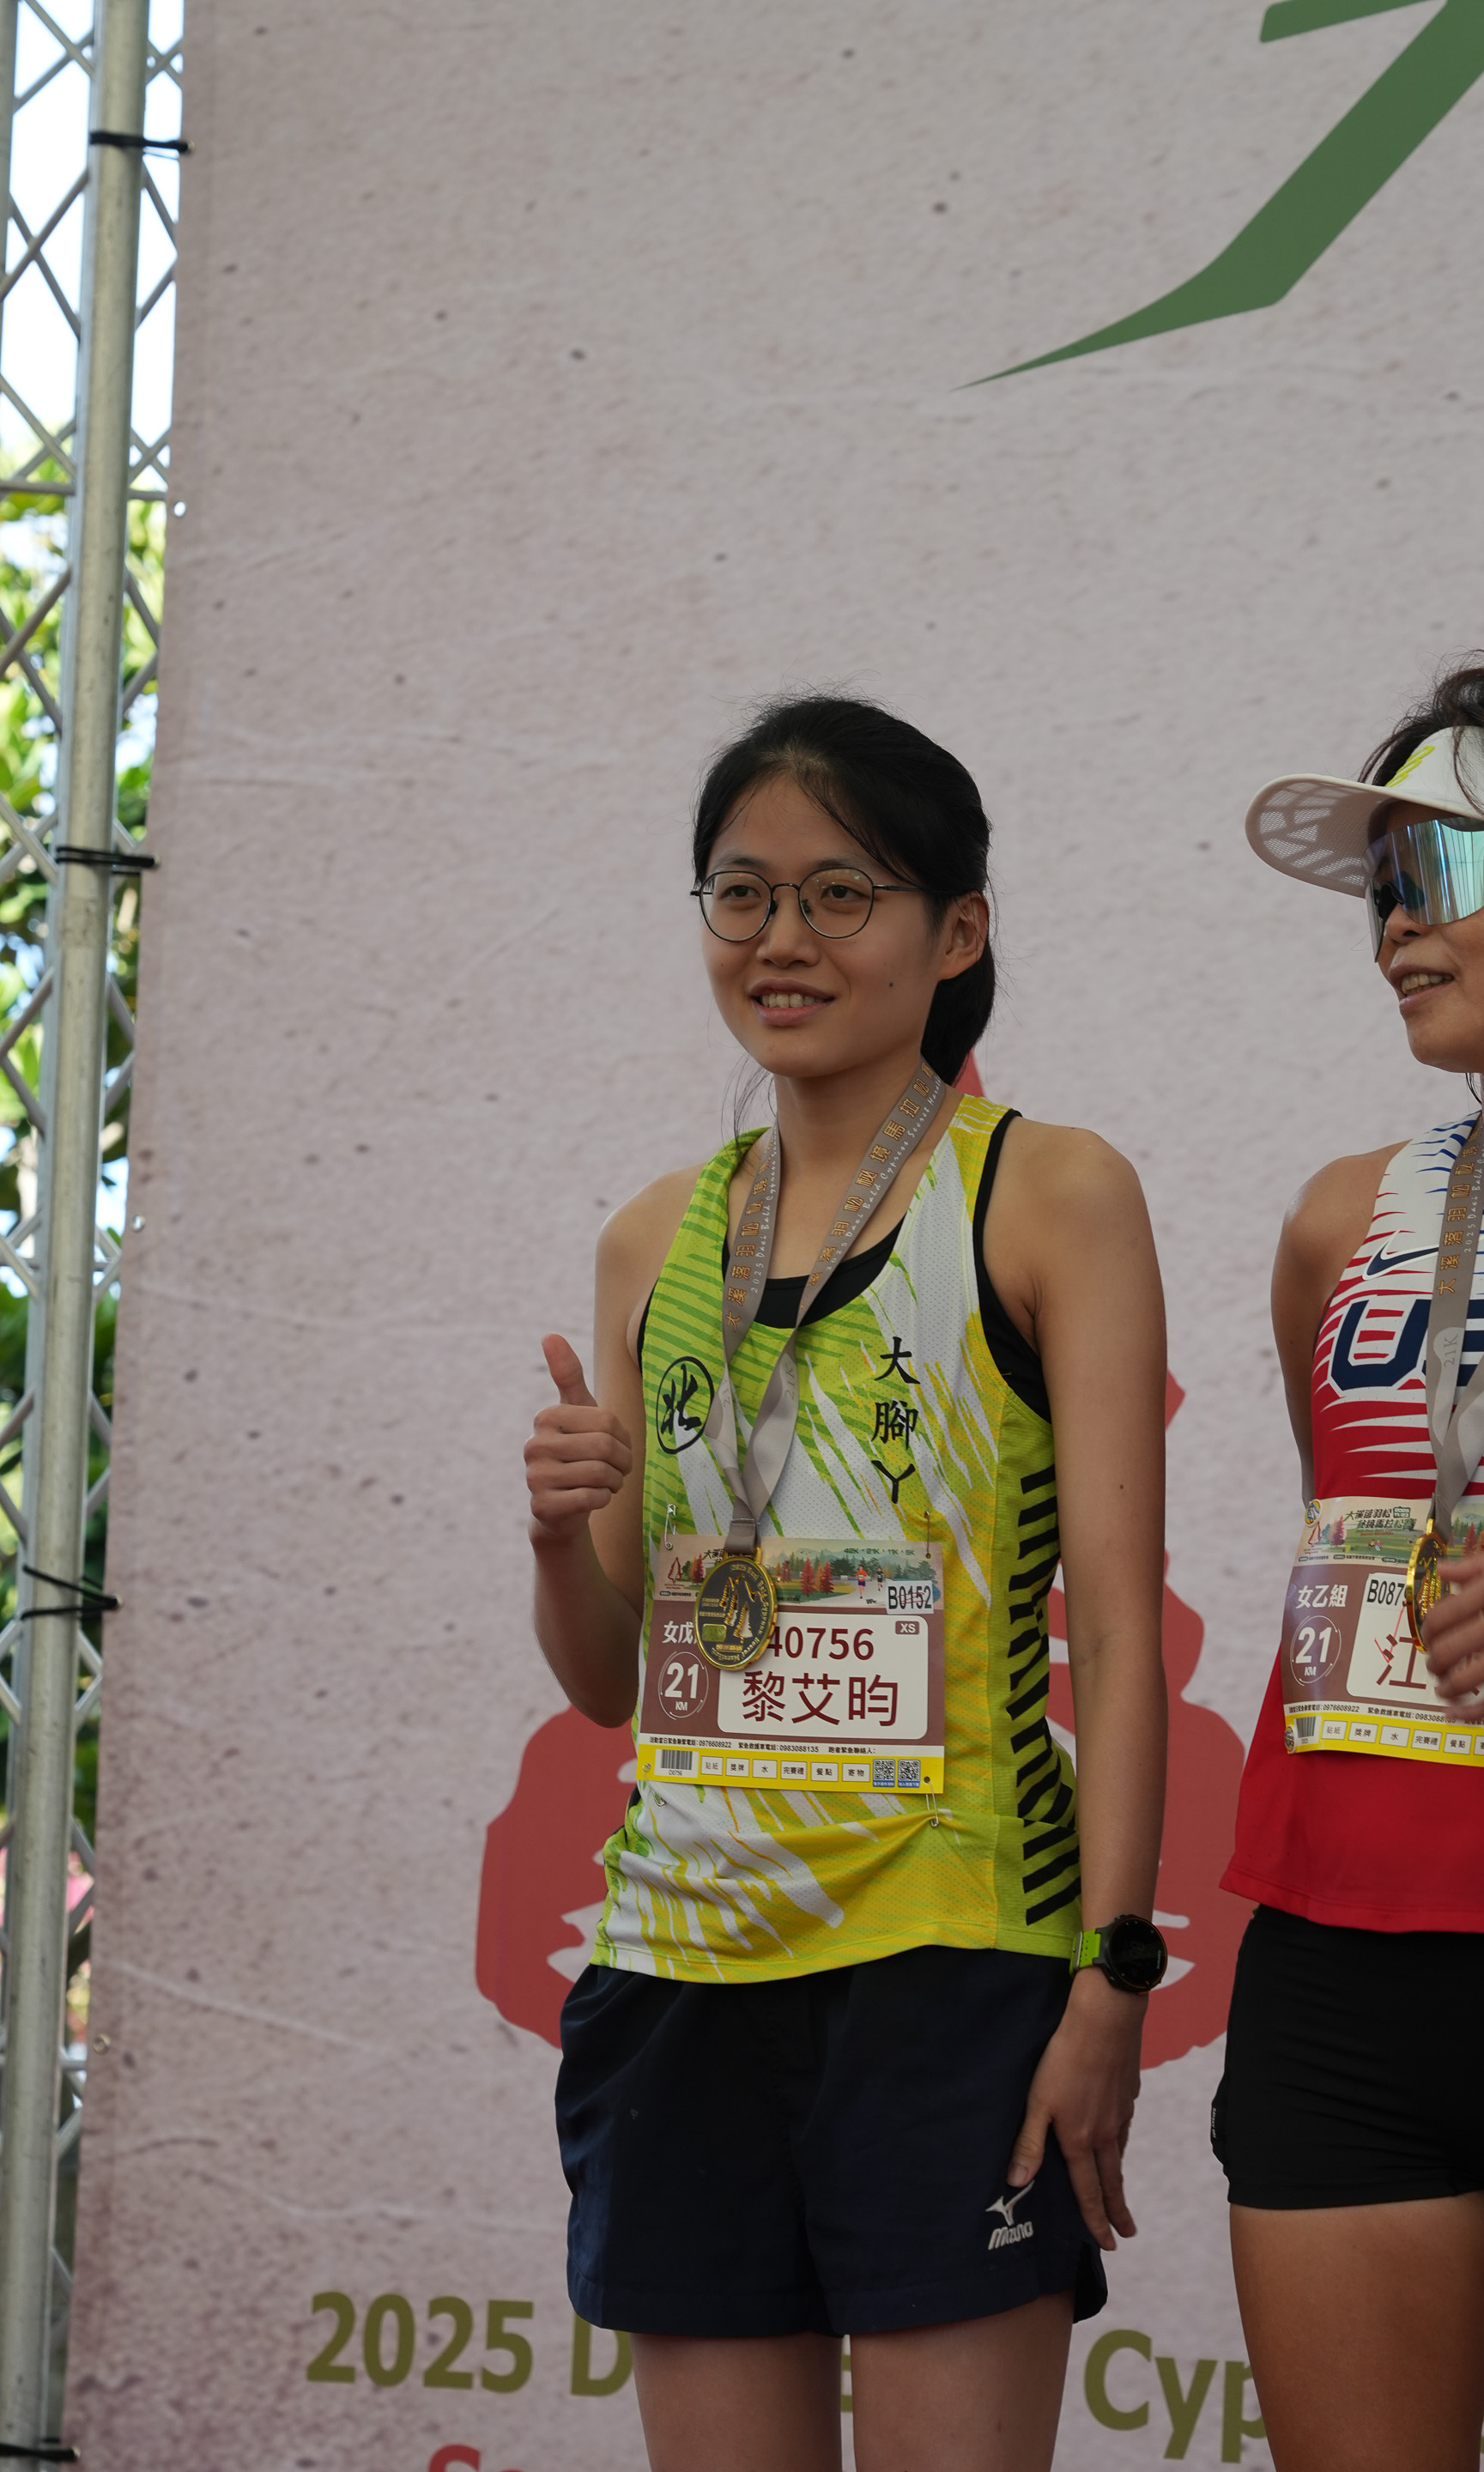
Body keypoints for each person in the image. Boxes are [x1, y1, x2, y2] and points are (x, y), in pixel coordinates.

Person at [524, 696, 1168, 2472]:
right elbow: (606, 1677)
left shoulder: (1046, 1192)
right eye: (742, 894)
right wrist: (558, 1533)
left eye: (840, 894)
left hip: (954, 1963)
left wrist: (1114, 1973)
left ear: (956, 932)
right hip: (677, 1965)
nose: (782, 940)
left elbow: (1119, 1628)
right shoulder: (653, 1238)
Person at [1221, 663, 1484, 2472]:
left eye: (1445, 870)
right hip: (1345, 1960)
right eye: (1382, 884)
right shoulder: (1345, 1215)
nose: (1395, 924)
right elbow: (1359, 1517)